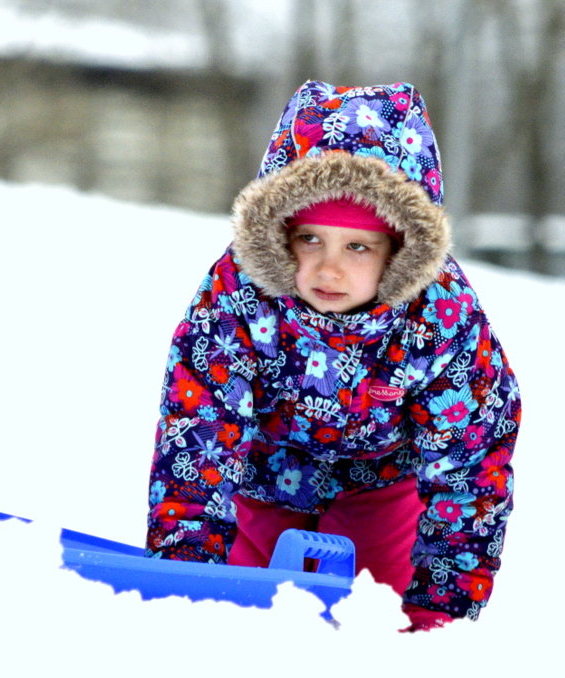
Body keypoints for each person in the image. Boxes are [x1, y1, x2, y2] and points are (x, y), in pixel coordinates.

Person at [145, 81, 521, 631]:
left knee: (372, 620)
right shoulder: (240, 295)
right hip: (265, 473)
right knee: (237, 614)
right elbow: (199, 425)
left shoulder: (439, 317)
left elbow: (471, 460)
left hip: (382, 484)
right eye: (310, 240)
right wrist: (185, 574)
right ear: (279, 234)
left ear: (400, 248)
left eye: (358, 247)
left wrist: (440, 606)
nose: (329, 269)